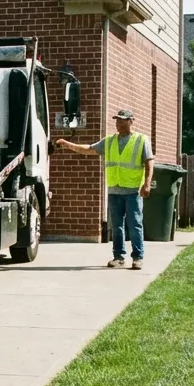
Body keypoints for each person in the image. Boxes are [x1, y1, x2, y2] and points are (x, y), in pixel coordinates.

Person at [56, 109, 154, 270]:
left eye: (122, 120)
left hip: (133, 191)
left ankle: (137, 257)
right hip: (114, 191)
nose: (118, 123)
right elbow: (88, 149)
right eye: (117, 120)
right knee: (117, 226)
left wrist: (147, 183)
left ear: (131, 121)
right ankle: (118, 257)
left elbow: (149, 162)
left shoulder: (141, 140)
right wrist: (68, 145)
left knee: (135, 224)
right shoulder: (109, 141)